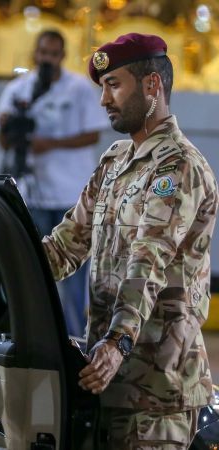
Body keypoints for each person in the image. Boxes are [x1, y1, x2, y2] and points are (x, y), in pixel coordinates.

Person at [43, 33, 216, 448]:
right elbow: (65, 246)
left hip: (157, 394)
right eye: (102, 87)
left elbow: (148, 259)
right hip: (105, 379)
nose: (104, 99)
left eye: (114, 85)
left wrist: (118, 341)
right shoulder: (115, 162)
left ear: (152, 85)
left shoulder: (179, 166)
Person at [0, 29, 109, 337]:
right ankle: (36, 336)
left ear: (62, 56)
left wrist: (51, 144)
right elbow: (4, 142)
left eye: (54, 54)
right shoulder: (18, 89)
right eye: (43, 53)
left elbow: (93, 134)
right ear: (35, 53)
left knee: (74, 275)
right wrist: (7, 130)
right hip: (33, 195)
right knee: (35, 268)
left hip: (72, 196)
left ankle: (75, 338)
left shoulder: (79, 88)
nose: (48, 59)